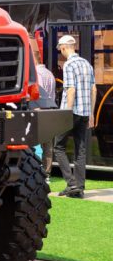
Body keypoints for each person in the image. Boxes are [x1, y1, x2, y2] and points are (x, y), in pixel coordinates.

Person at [53, 35, 96, 199]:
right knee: (81, 149)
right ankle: (79, 187)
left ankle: (71, 184)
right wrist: (91, 113)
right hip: (85, 112)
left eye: (60, 49)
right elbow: (93, 90)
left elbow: (71, 91)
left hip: (71, 112)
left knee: (58, 147)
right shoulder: (87, 64)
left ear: (64, 48)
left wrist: (66, 113)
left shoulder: (69, 64)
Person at [32, 40, 57, 181]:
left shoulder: (37, 74)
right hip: (50, 110)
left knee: (36, 143)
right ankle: (47, 173)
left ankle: (37, 171)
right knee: (48, 144)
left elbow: (37, 94)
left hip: (39, 109)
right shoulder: (50, 74)